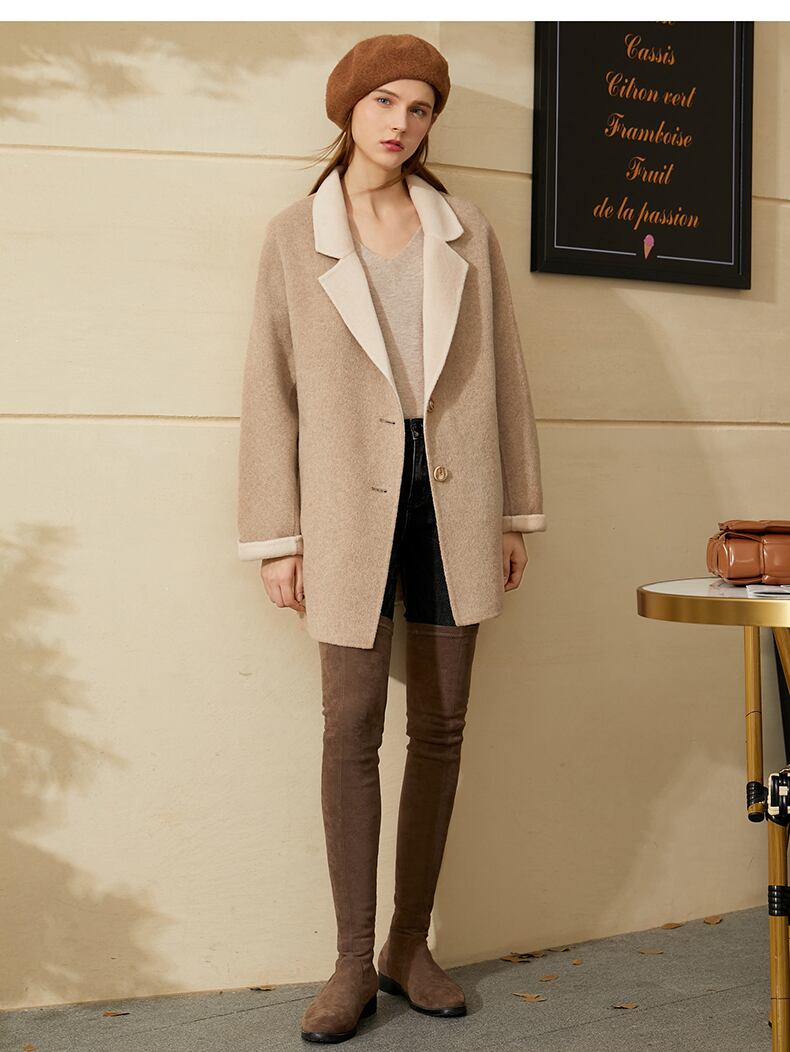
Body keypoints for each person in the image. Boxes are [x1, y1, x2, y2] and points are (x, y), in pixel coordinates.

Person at [237, 33, 545, 1045]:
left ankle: (409, 946)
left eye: (419, 109)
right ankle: (348, 960)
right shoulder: (296, 235)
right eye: (385, 104)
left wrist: (514, 514)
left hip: (458, 496)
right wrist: (277, 536)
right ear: (349, 110)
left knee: (443, 726)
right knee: (350, 727)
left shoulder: (465, 229)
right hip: (342, 504)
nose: (401, 124)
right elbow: (268, 388)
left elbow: (505, 373)